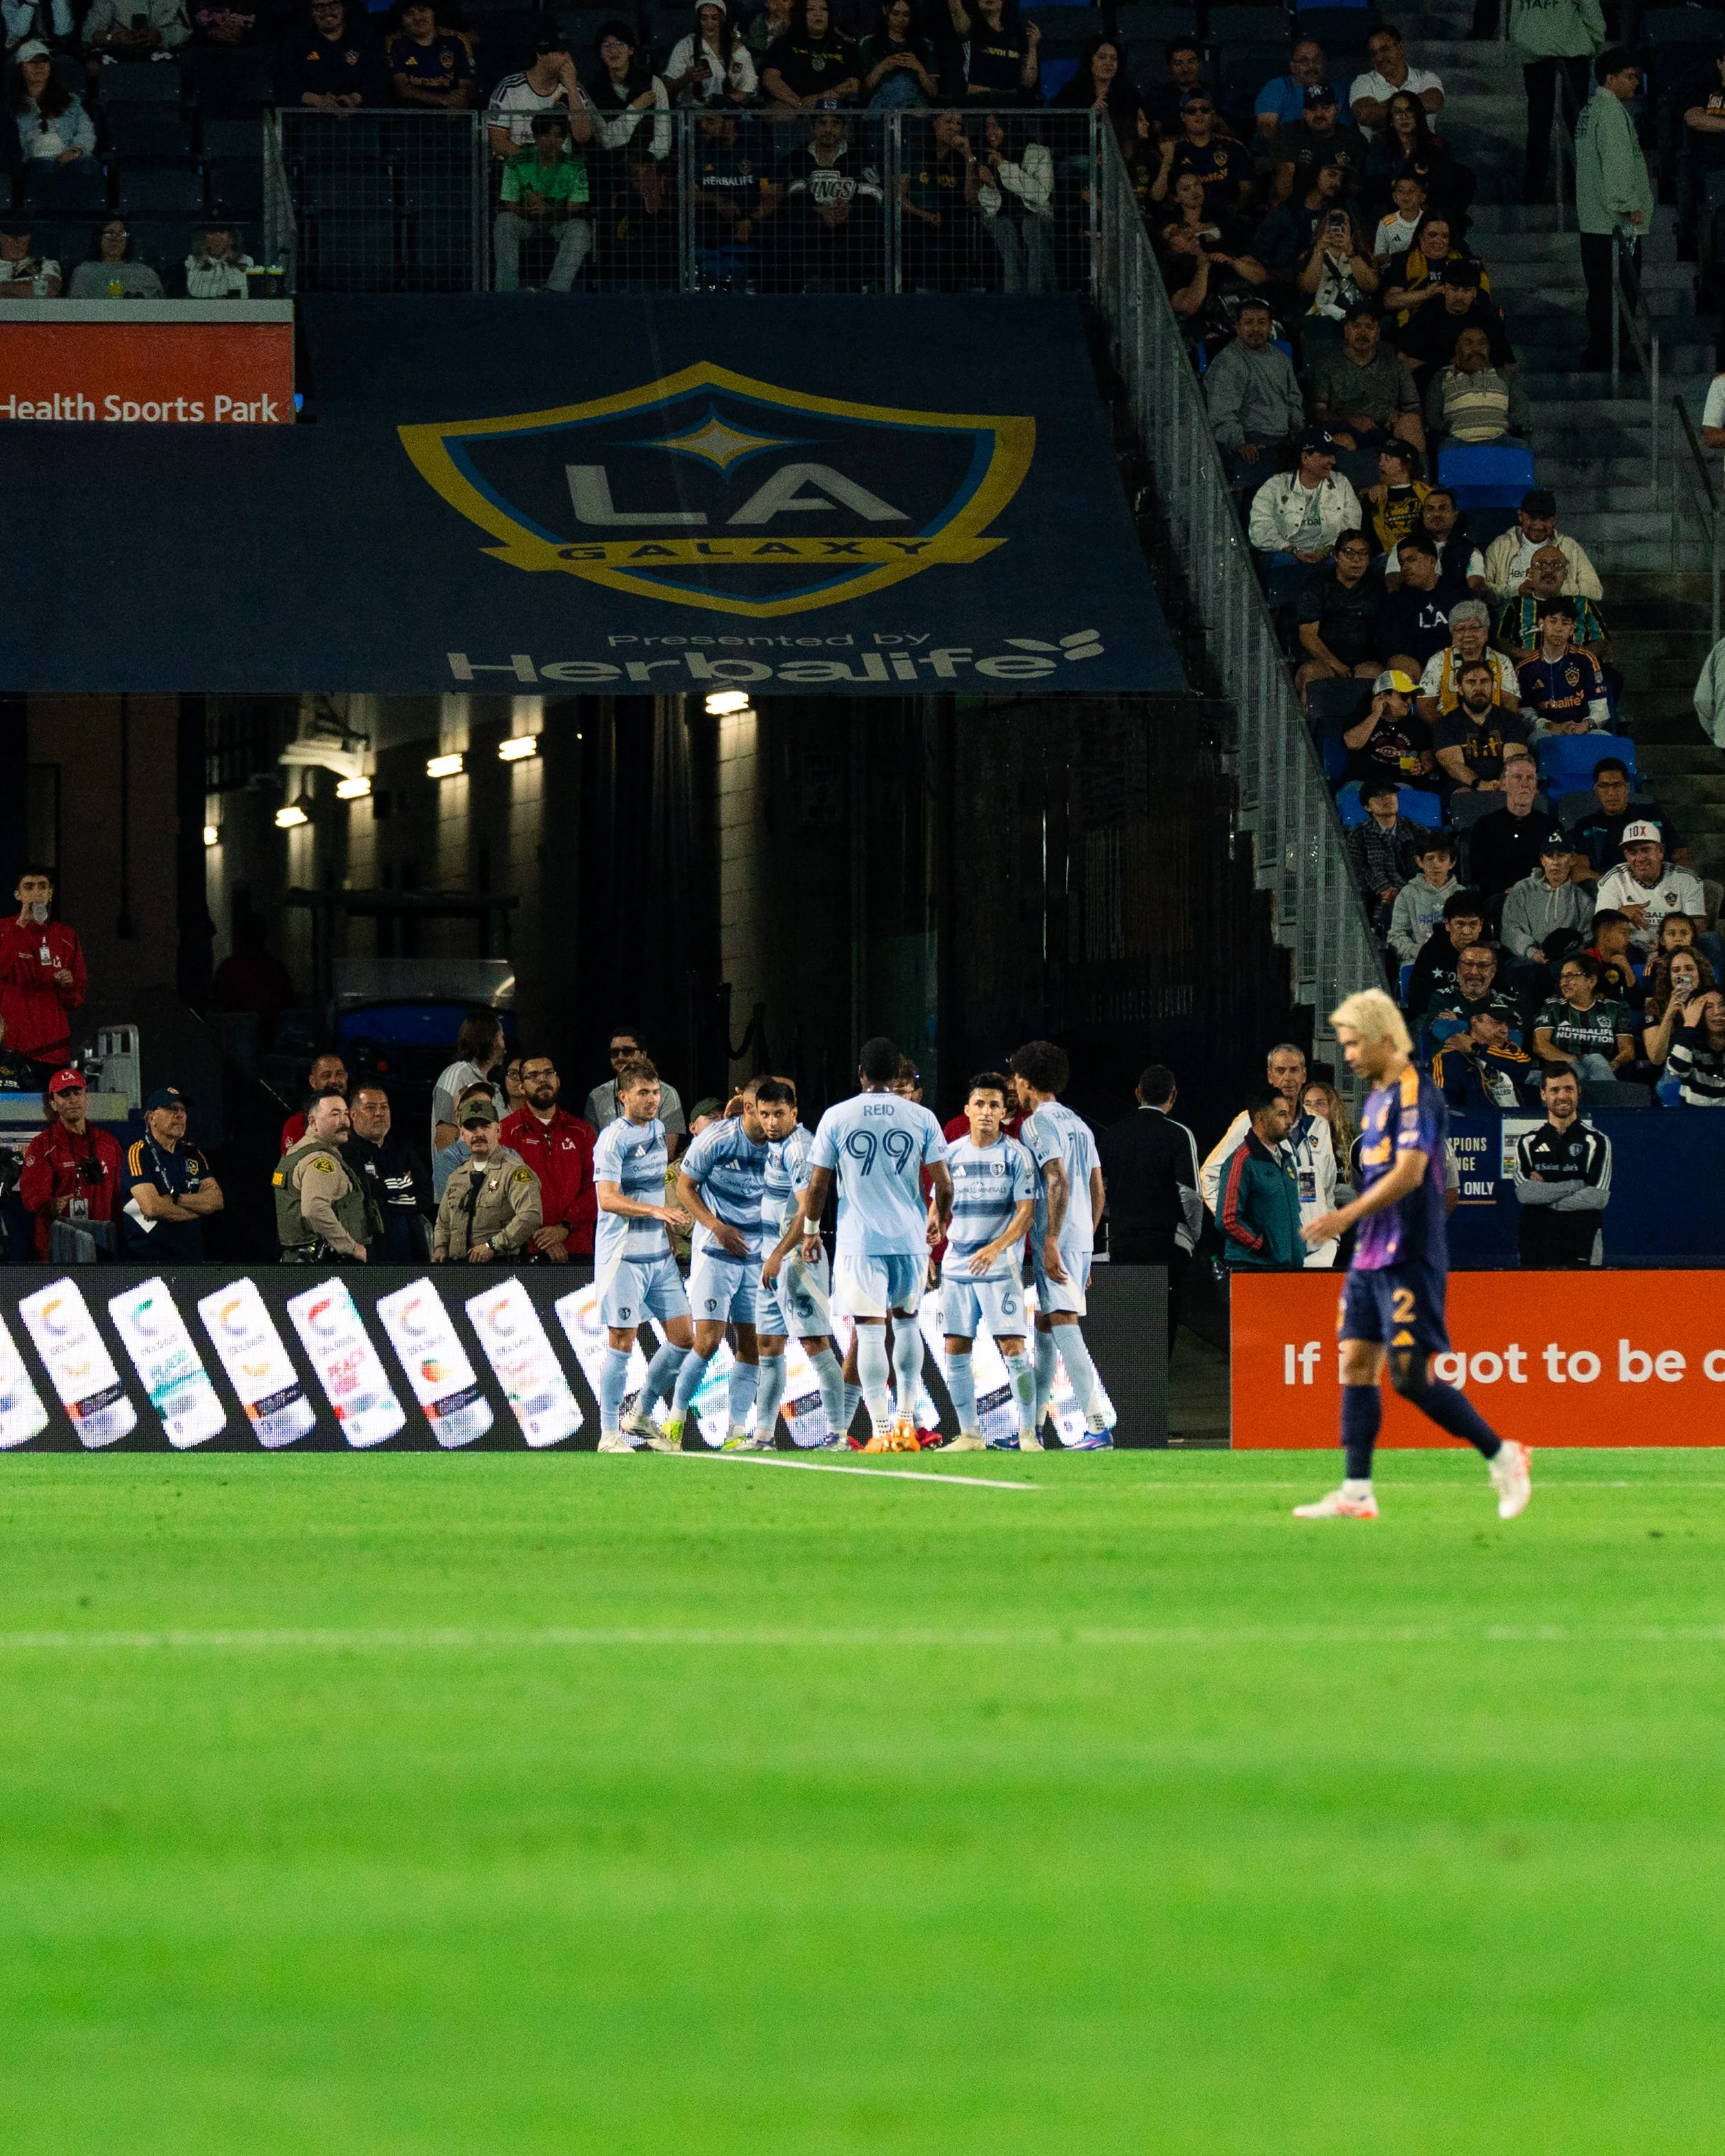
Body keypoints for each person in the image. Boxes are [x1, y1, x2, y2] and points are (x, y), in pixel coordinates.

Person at [1291, 988, 1530, 1523]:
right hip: (1370, 1258)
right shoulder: (1375, 1100)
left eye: (1354, 1044)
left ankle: (1503, 1454)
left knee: (1408, 1377)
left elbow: (1411, 1173)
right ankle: (1356, 1491)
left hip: (1410, 1254)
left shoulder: (1417, 1092)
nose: (1348, 1055)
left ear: (1381, 1037)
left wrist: (1343, 1218)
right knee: (1354, 1360)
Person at [789, 1036, 949, 1454]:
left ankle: (880, 1430)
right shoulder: (921, 1117)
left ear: (861, 1073)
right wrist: (938, 1218)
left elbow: (819, 1182)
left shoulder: (837, 1117)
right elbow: (944, 1185)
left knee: (871, 1331)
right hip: (910, 1238)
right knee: (909, 1322)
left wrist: (809, 1230)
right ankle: (906, 1425)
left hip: (861, 1241)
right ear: (896, 1073)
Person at [1011, 1040, 1114, 1445]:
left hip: (1056, 1239)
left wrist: (1052, 1239)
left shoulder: (1036, 1123)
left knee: (1064, 1324)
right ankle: (1032, 1429)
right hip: (1078, 1240)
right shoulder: (1078, 1122)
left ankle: (1097, 1425)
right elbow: (1098, 1189)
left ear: (1024, 1080)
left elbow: (1057, 1177)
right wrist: (1082, 1244)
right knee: (1046, 1325)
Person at [591, 1056, 695, 1454]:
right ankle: (608, 1435)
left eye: (656, 1092)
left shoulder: (655, 1129)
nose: (652, 1100)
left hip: (658, 1256)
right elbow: (607, 1198)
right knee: (622, 1339)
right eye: (643, 1093)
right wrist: (656, 1211)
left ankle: (641, 1413)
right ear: (623, 1097)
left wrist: (666, 1228)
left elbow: (652, 1186)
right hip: (623, 1257)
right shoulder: (613, 1139)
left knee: (685, 1338)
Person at [658, 1091, 772, 1450]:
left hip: (754, 1257)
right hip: (714, 1253)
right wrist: (716, 1226)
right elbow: (684, 1186)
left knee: (751, 1345)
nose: (769, 1119)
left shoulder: (780, 1144)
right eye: (762, 1109)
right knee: (707, 1341)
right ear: (749, 1107)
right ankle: (673, 1424)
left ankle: (736, 1431)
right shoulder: (716, 1138)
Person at [931, 1072, 1038, 1452]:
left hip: (999, 1269)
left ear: (1004, 1112)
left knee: (1013, 1348)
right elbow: (939, 1201)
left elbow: (1026, 1212)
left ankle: (1029, 1433)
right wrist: (934, 1219)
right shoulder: (951, 1154)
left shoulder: (1017, 1155)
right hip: (958, 1266)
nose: (987, 1112)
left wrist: (997, 1248)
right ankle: (970, 1435)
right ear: (968, 1110)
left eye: (995, 1105)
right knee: (956, 1348)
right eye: (980, 1104)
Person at [754, 1076, 847, 1447]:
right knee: (768, 1345)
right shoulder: (774, 1146)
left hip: (796, 1259)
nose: (772, 1122)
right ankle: (763, 1436)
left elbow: (808, 1208)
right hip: (772, 1262)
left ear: (795, 1113)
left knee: (815, 1344)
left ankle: (839, 1432)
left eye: (779, 1114)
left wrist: (778, 1254)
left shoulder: (798, 1148)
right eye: (765, 1114)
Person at [1200, 1042, 1339, 1267]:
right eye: (1280, 1071)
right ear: (1270, 1077)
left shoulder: (1319, 1125)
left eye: (1294, 1070)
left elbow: (1327, 1185)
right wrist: (1247, 1230)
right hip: (1271, 1253)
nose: (1288, 1078)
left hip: (1319, 1250)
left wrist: (1333, 1235)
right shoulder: (1250, 1121)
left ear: (1304, 1075)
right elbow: (1209, 1175)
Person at [1096, 1062, 1203, 1354]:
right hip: (1167, 1242)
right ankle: (1160, 1380)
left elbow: (1100, 1190)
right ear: (1173, 1096)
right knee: (1164, 1323)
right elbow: (1190, 1194)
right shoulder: (1180, 1134)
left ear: (1138, 1093)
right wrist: (1192, 1236)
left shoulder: (1113, 1134)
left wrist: (1117, 1218)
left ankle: (1134, 1387)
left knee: (1130, 1321)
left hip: (1124, 1240)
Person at [1575, 47, 1650, 374]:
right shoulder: (1612, 115)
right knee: (1619, 297)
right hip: (1614, 225)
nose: (1636, 83)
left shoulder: (1589, 112)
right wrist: (1629, 205)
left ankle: (1600, 354)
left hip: (1593, 221)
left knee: (1601, 295)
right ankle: (1610, 357)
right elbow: (1617, 166)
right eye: (1630, 76)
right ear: (1610, 78)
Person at [497, 1053, 597, 1263]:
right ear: (521, 1087)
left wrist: (565, 1228)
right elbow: (503, 1194)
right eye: (533, 1075)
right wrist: (541, 1237)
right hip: (526, 1249)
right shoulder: (507, 1131)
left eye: (548, 1073)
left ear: (558, 1080)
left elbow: (595, 1187)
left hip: (578, 1245)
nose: (542, 1079)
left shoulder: (581, 1131)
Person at [1248, 429, 1361, 607]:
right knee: (1283, 562)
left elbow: (1352, 525)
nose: (1333, 461)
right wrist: (1293, 551)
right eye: (1325, 455)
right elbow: (1260, 531)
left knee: (1346, 560)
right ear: (1305, 458)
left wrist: (1326, 552)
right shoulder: (1275, 487)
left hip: (1328, 553)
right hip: (1288, 554)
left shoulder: (1341, 483)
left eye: (1332, 455)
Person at [19, 1067, 121, 1261]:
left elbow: (119, 1198)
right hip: (60, 1248)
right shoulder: (42, 1146)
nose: (73, 1100)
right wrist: (50, 1205)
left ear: (86, 1097)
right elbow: (32, 1198)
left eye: (77, 1093)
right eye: (64, 1095)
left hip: (103, 1245)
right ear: (53, 1103)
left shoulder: (108, 1143)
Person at [1513, 1066, 1611, 1265]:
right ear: (1543, 1094)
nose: (1562, 1096)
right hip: (1536, 1241)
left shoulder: (1598, 1141)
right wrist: (1575, 1185)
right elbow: (1526, 1194)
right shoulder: (1527, 1141)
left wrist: (1545, 1198)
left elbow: (1597, 1197)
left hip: (1583, 1240)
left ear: (1579, 1091)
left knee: (1585, 1297)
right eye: (1555, 1090)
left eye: (1569, 1089)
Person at [1203, 297, 1303, 487]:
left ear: (1270, 327)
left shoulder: (1280, 359)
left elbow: (1294, 398)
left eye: (1261, 323)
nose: (1256, 329)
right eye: (1249, 323)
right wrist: (1239, 443)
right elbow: (1221, 413)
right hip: (1251, 439)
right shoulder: (1229, 362)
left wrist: (1296, 424)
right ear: (1238, 327)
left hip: (1284, 439)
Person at [0, 865, 83, 1087]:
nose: (36, 892)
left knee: (51, 1113)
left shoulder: (66, 936)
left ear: (50, 893)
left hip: (53, 1048)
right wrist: (21, 926)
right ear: (18, 895)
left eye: (42, 886)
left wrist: (68, 985)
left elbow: (75, 999)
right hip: (11, 1048)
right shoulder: (4, 929)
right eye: (28, 887)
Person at [273, 1091, 380, 1263]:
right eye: (335, 1114)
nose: (344, 1121)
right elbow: (314, 1208)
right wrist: (351, 1247)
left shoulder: (297, 1152)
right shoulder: (321, 1161)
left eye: (345, 1113)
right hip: (325, 1265)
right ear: (313, 1122)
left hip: (302, 1261)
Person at [1306, 301, 1424, 455]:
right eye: (1356, 326)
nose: (1363, 333)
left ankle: (1417, 477)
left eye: (1369, 328)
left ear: (1378, 334)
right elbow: (1318, 412)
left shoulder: (1396, 366)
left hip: (1387, 430)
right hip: (1344, 429)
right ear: (1347, 330)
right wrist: (1351, 420)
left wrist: (1401, 416)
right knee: (1341, 441)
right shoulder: (1327, 365)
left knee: (1411, 422)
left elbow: (1414, 408)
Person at [431, 1099, 541, 1265]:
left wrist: (492, 1245)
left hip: (500, 1269)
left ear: (498, 1130)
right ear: (462, 1134)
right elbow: (443, 1222)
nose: (478, 1133)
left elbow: (531, 1215)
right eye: (471, 1128)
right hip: (458, 1269)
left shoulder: (515, 1171)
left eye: (485, 1126)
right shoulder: (457, 1177)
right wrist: (440, 1247)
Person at [121, 1085, 223, 1262]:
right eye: (171, 1109)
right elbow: (152, 1208)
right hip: (150, 1260)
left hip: (191, 1258)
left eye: (183, 1110)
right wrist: (198, 1211)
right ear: (152, 1118)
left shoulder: (192, 1153)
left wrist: (176, 1199)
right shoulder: (138, 1153)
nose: (180, 1115)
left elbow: (216, 1201)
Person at [1511, 0, 1600, 202]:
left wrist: (1522, 41)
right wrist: (1594, 42)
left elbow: (1515, 16)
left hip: (1536, 55)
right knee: (1574, 126)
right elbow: (1592, 12)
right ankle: (1578, 193)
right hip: (1572, 54)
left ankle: (1532, 194)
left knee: (1539, 126)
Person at [495, 110, 593, 292]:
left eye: (558, 136)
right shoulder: (517, 161)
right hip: (526, 219)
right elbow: (509, 203)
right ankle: (506, 291)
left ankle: (556, 290)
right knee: (504, 222)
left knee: (580, 228)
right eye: (546, 135)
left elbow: (575, 207)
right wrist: (530, 209)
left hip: (558, 221)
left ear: (564, 140)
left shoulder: (575, 164)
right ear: (536, 137)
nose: (551, 141)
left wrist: (548, 210)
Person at [1215, 1085, 1302, 1269]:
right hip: (1252, 1268)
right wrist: (1260, 1245)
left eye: (1288, 1114)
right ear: (1261, 1118)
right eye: (1281, 1115)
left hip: (1287, 1267)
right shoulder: (1241, 1162)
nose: (1289, 1121)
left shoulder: (1286, 1160)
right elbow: (1227, 1219)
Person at [345, 1082, 431, 1265]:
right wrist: (402, 1188)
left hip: (412, 1250)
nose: (379, 1113)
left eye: (384, 1107)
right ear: (353, 1114)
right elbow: (364, 1194)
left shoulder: (403, 1149)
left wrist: (384, 1193)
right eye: (370, 1108)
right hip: (371, 1252)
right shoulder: (345, 1153)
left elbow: (425, 1195)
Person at [1593, 823, 1708, 956]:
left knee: (1710, 941)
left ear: (1661, 851)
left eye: (1646, 850)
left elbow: (1698, 924)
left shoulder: (1686, 879)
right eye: (1633, 853)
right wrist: (1619, 915)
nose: (1640, 858)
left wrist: (1669, 942)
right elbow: (1600, 929)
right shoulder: (1614, 879)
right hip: (1629, 951)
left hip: (1675, 951)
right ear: (1626, 855)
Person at [972, 110, 1054, 294]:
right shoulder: (986, 155)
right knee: (1006, 233)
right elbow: (989, 207)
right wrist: (991, 186)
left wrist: (1004, 166)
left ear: (1009, 127)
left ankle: (1038, 297)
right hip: (1001, 217)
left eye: (996, 126)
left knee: (1031, 228)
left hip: (1036, 214)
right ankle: (1014, 300)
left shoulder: (1038, 153)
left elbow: (1041, 194)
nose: (990, 132)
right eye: (987, 127)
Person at [1295, 528, 1383, 698]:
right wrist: (1337, 666)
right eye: (1349, 553)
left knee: (1377, 676)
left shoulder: (1377, 585)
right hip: (1323, 662)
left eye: (1363, 554)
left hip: (1363, 662)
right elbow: (1308, 636)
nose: (1356, 560)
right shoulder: (1317, 585)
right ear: (1336, 556)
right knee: (1311, 674)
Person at [1501, 833, 1594, 987]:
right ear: (1542, 860)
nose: (1555, 862)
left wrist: (1566, 955)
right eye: (1549, 856)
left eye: (1561, 855)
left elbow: (1586, 937)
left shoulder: (1583, 898)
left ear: (1572, 860)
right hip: (1526, 960)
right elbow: (1510, 930)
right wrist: (1532, 953)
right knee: (1525, 972)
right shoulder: (1522, 889)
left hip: (1566, 962)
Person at [1482, 490, 1604, 604]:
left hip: (1558, 619)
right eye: (1533, 518)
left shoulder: (1569, 547)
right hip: (1513, 619)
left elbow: (1595, 591)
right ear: (1520, 515)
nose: (1538, 526)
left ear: (1554, 520)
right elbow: (1483, 590)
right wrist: (1516, 591)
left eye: (1545, 519)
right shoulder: (1501, 546)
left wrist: (1554, 590)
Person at [1495, 543, 1610, 664]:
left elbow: (1602, 641)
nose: (1549, 570)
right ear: (1530, 573)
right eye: (1541, 565)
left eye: (1556, 565)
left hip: (1575, 670)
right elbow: (1500, 642)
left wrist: (1577, 657)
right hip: (1527, 671)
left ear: (1565, 575)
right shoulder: (1514, 605)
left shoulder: (1582, 603)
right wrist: (1523, 654)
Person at [1432, 659, 1534, 793]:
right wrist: (1479, 784)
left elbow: (1514, 760)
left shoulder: (1511, 720)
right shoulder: (1445, 724)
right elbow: (1453, 765)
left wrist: (1503, 784)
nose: (1478, 688)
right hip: (1463, 785)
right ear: (1460, 689)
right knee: (1465, 796)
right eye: (1471, 682)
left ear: (1493, 686)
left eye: (1484, 681)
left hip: (1504, 784)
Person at [1424, 323, 1533, 446]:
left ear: (1488, 348)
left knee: (1521, 447)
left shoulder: (1504, 376)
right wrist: (1447, 428)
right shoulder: (1442, 377)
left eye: (1482, 344)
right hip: (1457, 440)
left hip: (1501, 439)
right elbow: (1433, 415)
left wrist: (1510, 424)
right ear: (1457, 349)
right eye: (1469, 343)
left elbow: (1521, 408)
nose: (1476, 349)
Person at [1532, 951, 1635, 1080]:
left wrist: (1614, 1064)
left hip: (1601, 1072)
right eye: (1562, 977)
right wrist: (1573, 1061)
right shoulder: (1553, 1007)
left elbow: (1628, 1050)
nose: (1563, 983)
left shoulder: (1613, 1009)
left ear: (1591, 981)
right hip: (1562, 1073)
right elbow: (1540, 1046)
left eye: (1570, 976)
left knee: (1596, 1060)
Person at [1469, 755, 1561, 898]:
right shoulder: (1486, 825)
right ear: (1504, 784)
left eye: (1530, 778)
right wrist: (1504, 890)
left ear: (1536, 786)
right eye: (1518, 777)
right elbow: (1478, 870)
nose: (1525, 784)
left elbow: (1559, 868)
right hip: (1499, 897)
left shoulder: (1551, 827)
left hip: (1542, 897)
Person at [1346, 776, 1426, 939]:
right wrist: (1384, 889)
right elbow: (1357, 870)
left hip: (1415, 891)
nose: (1388, 799)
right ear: (1368, 807)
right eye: (1380, 796)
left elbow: (1428, 861)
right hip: (1377, 896)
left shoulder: (1415, 829)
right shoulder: (1359, 835)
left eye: (1391, 794)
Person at [584, 1026, 688, 1150]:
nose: (620, 1057)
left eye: (627, 1051)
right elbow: (591, 1148)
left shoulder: (667, 1093)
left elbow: (667, 1151)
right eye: (614, 1053)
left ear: (643, 1054)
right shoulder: (597, 1096)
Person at [1517, 597, 1610, 734]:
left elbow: (1600, 707)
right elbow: (1523, 711)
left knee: (1603, 736)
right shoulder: (1525, 667)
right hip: (1546, 731)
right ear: (1542, 624)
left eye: (1565, 623)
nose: (1559, 629)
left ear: (1573, 629)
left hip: (1582, 729)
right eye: (1553, 621)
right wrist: (1549, 726)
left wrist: (1585, 725)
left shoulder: (1586, 660)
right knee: (1539, 737)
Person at [1150, 86, 1252, 211]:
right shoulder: (1172, 150)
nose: (1199, 114)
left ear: (1212, 114)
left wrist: (1236, 209)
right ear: (1183, 117)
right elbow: (1158, 196)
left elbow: (1247, 190)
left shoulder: (1234, 147)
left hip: (1228, 217)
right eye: (1191, 111)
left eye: (1204, 109)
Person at [1270, 81, 1366, 206]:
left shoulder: (1354, 139)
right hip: (1297, 205)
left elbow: (1355, 186)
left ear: (1337, 109)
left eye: (1326, 108)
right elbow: (1285, 177)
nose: (1319, 114)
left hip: (1338, 205)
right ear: (1304, 113)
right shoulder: (1289, 132)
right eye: (1313, 109)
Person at [274, 0, 385, 107]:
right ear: (311, 11)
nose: (327, 12)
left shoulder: (365, 37)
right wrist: (317, 101)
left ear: (344, 7)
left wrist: (355, 99)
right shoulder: (297, 40)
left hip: (361, 118)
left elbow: (378, 76)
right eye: (319, 7)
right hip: (308, 117)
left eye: (334, 5)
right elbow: (285, 80)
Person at [486, 36, 581, 157]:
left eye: (569, 53)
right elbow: (499, 143)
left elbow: (582, 136)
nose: (568, 59)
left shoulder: (574, 88)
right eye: (561, 53)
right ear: (541, 55)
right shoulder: (509, 87)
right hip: (519, 168)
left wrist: (572, 89)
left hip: (559, 171)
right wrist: (535, 162)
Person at [1342, 666, 1435, 789]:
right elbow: (1352, 744)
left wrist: (1422, 768)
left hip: (1401, 785)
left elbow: (1428, 759)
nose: (1409, 702)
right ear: (1383, 696)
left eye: (1411, 697)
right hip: (1363, 783)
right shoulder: (1359, 717)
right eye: (1403, 696)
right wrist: (1376, 714)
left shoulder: (1417, 725)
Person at [1432, 1006, 1539, 1109]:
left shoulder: (1510, 1048)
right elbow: (1446, 1103)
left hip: (1517, 1121)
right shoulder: (1449, 1056)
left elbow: (1522, 1069)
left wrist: (1477, 1050)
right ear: (1475, 1021)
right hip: (1477, 1122)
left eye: (1507, 1024)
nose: (1505, 1030)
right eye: (1497, 1023)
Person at [1377, 534, 1454, 677]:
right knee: (1398, 662)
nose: (1405, 567)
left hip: (1450, 661)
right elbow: (1391, 645)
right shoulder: (1396, 600)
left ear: (1431, 561)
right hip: (1413, 667)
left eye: (1411, 560)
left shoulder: (1456, 594)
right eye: (1402, 562)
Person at [1403, 890, 1488, 1016]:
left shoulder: (1491, 953)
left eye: (1473, 924)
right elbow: (1418, 1001)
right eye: (1460, 924)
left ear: (1481, 925)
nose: (1466, 931)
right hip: (1438, 1017)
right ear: (1447, 924)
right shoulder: (1431, 952)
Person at [1350, 23, 1443, 138]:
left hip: (1423, 152)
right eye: (1374, 53)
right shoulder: (1362, 82)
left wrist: (1382, 117)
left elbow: (1434, 103)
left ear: (1401, 48)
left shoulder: (1426, 78)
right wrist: (1416, 111)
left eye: (1384, 50)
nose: (1379, 58)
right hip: (1381, 154)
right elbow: (1366, 115)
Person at [431, 1008, 504, 1154]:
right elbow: (444, 1135)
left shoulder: (492, 1087)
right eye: (501, 1038)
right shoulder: (457, 1075)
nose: (504, 1046)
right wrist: (453, 1176)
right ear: (490, 1040)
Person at [8, 39, 92, 166]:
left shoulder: (70, 101)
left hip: (72, 161)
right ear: (21, 68)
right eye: (32, 62)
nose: (39, 66)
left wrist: (76, 151)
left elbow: (87, 131)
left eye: (44, 61)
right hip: (31, 165)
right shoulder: (9, 105)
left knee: (87, 167)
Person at [762, 0, 860, 106]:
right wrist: (799, 104)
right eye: (811, 9)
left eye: (824, 9)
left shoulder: (845, 46)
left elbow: (854, 85)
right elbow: (770, 78)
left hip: (831, 105)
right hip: (792, 104)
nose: (818, 13)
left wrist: (820, 98)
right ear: (802, 14)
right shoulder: (784, 44)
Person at [665, 0, 759, 106]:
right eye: (704, 18)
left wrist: (725, 100)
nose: (709, 24)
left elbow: (749, 85)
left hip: (728, 113)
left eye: (714, 18)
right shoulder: (686, 46)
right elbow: (667, 89)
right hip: (694, 112)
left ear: (722, 19)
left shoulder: (737, 48)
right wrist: (687, 78)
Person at [1294, 201, 1377, 319]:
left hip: (1353, 318)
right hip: (1318, 316)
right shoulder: (1308, 255)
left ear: (1351, 228)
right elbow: (1307, 288)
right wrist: (1319, 251)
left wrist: (1350, 252)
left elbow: (1371, 286)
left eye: (1344, 222)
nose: (1338, 226)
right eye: (1333, 220)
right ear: (1323, 226)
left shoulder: (1364, 256)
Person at [1388, 832, 1459, 963]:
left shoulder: (1461, 894)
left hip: (1457, 959)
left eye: (1442, 859)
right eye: (1430, 859)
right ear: (1419, 861)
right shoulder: (1407, 894)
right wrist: (1419, 952)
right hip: (1418, 959)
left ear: (1452, 863)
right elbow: (1397, 935)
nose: (1436, 865)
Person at [388, 0, 473, 107]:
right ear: (402, 20)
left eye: (422, 10)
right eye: (410, 14)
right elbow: (402, 89)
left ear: (434, 13)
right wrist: (443, 100)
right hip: (412, 116)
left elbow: (466, 83)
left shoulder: (456, 40)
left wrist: (459, 103)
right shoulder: (396, 43)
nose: (418, 18)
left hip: (452, 115)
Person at [1642, 947, 1713, 1073]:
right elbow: (1656, 1058)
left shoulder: (1713, 1001)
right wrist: (1670, 1013)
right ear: (1669, 976)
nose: (1683, 974)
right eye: (1676, 970)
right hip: (1671, 1071)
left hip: (1707, 1067)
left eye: (1690, 969)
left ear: (1700, 973)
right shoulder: (1654, 1005)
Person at [1361, 441, 1429, 556]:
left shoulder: (1426, 493)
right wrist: (1368, 503)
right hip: (1385, 558)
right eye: (1381, 458)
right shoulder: (1371, 495)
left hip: (1420, 554)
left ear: (1406, 465)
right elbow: (1364, 532)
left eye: (1387, 459)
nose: (1381, 464)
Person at [68, 218, 165, 299]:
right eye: (110, 233)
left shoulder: (145, 274)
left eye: (121, 234)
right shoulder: (85, 273)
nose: (115, 238)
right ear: (98, 238)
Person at [1255, 36, 1328, 139]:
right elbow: (1267, 128)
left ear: (1323, 64)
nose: (1311, 66)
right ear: (1293, 66)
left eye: (1317, 60)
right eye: (1304, 61)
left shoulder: (1337, 90)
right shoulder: (1278, 87)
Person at [280, 1050, 348, 1154]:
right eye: (326, 1076)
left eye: (339, 1074)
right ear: (313, 1081)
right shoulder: (296, 1124)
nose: (334, 1080)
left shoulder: (359, 1117)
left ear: (346, 1078)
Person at [1667, 989, 1725, 1105]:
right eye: (1709, 1007)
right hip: (1694, 1117)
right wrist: (1689, 1024)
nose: (1718, 1012)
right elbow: (1677, 1070)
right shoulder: (1688, 1042)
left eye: (1722, 1005)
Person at [82, 0, 188, 61]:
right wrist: (112, 39)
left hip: (161, 53)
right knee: (93, 67)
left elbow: (185, 30)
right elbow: (89, 33)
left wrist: (162, 37)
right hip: (117, 52)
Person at [184, 221, 255, 299]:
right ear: (203, 238)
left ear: (232, 239)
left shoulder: (246, 261)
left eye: (222, 232)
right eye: (211, 233)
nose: (217, 238)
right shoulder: (192, 262)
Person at [0, 217, 61, 299]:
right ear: (1, 237)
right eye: (11, 237)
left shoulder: (45, 264)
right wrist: (26, 289)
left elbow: (49, 289)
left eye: (23, 236)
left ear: (29, 237)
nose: (17, 243)